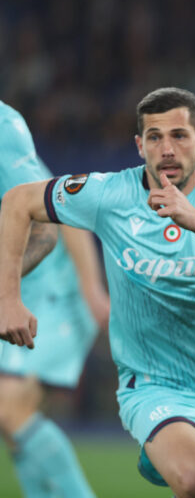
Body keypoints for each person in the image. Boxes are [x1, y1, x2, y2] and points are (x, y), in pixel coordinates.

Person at [0, 88, 195, 498]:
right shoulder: (110, 194)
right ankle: (163, 443)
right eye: (154, 137)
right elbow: (19, 200)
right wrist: (8, 299)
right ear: (139, 145)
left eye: (180, 136)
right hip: (154, 384)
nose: (167, 148)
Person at [0, 100, 108, 497]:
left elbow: (55, 218)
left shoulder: (2, 127)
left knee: (9, 409)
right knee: (14, 429)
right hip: (16, 290)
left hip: (52, 291)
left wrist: (92, 291)